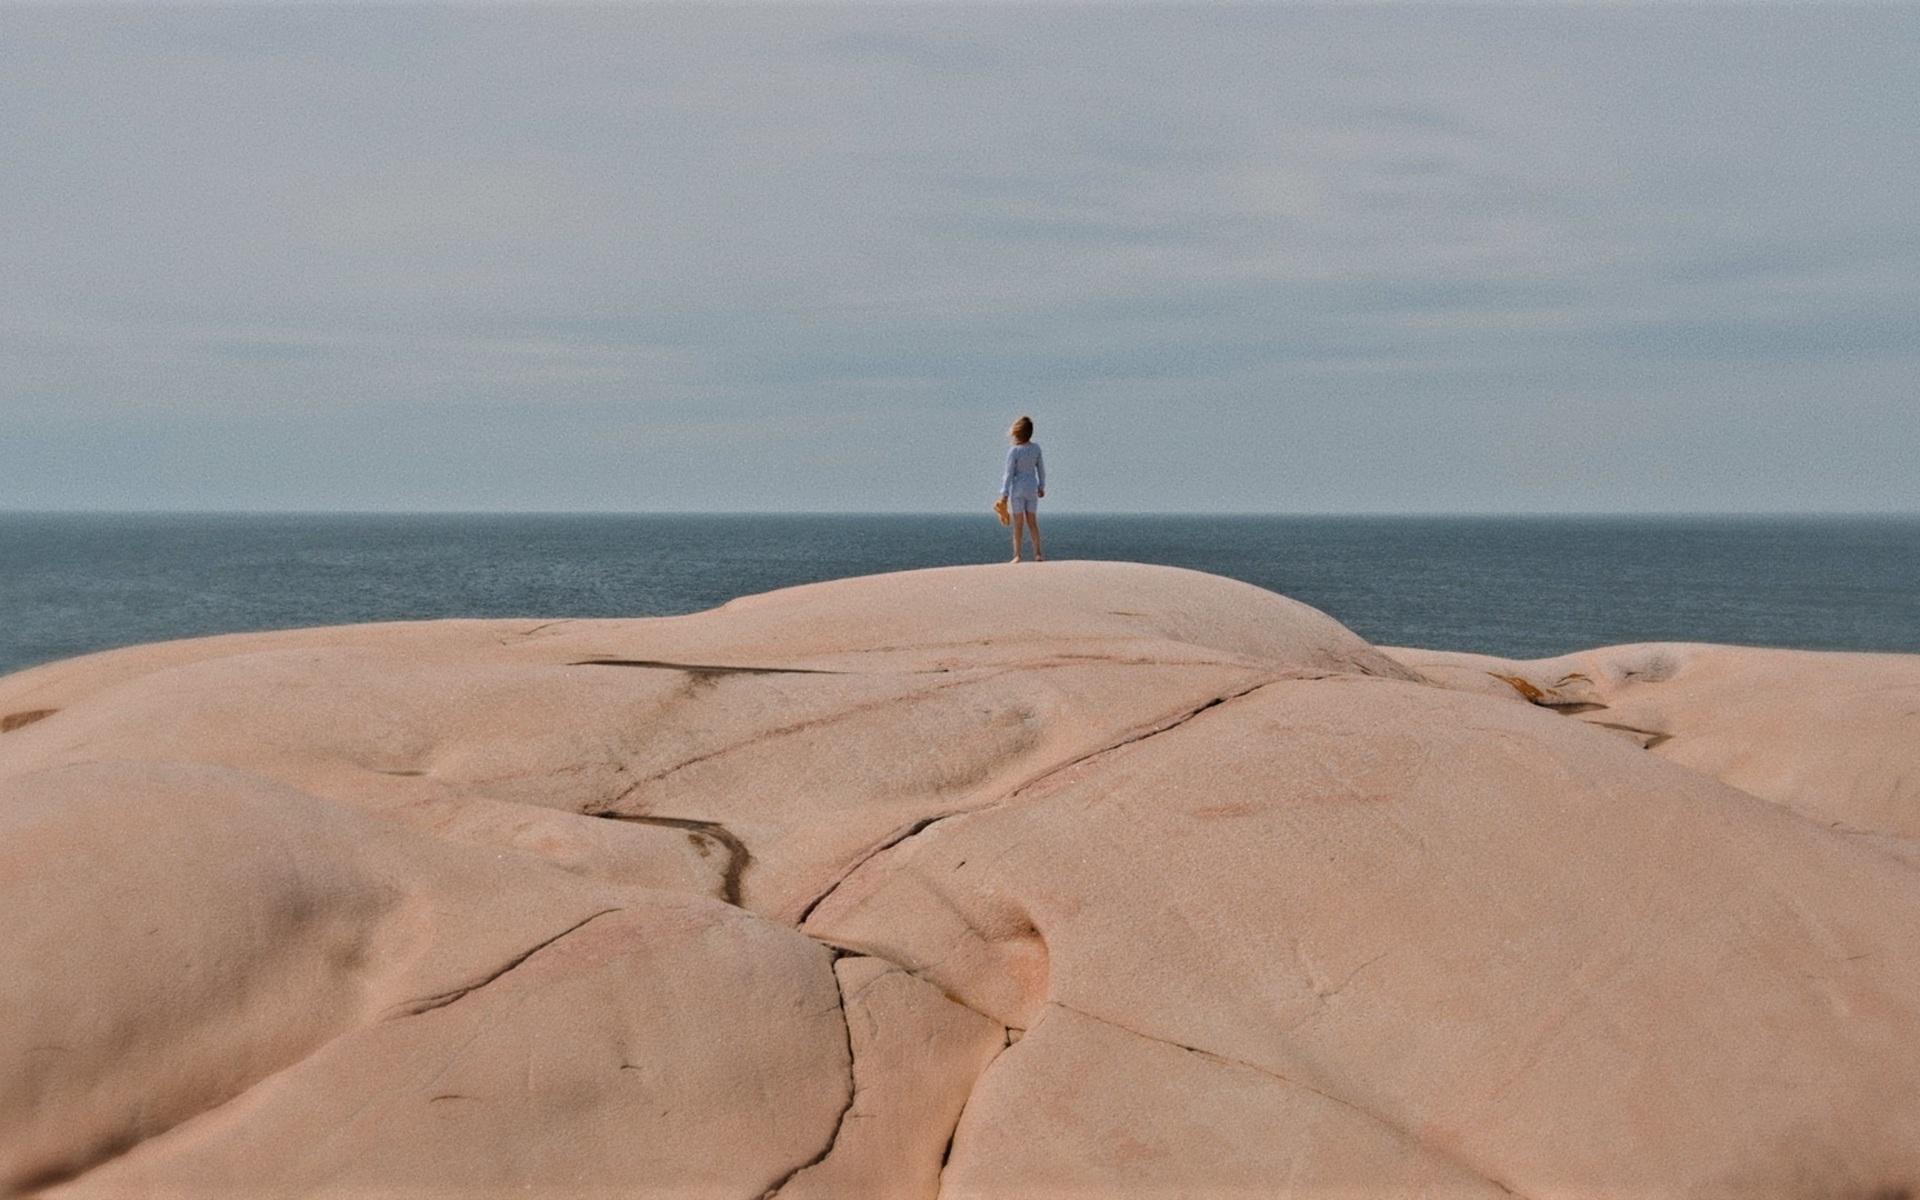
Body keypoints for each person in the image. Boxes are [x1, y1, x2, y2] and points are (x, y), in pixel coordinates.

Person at [1000, 415, 1045, 563]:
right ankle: (1038, 553)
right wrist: (1041, 486)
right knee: (1032, 522)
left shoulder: (1014, 451)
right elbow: (1041, 469)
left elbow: (1009, 473)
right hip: (1032, 488)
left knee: (1018, 524)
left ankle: (1017, 555)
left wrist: (1004, 493)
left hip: (1018, 489)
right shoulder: (1036, 448)